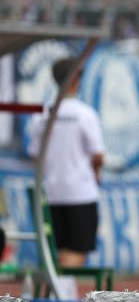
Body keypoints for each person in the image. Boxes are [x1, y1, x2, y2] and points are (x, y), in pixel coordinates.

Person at [26, 58, 105, 268]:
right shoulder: (85, 114)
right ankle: (63, 297)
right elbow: (97, 155)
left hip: (51, 192)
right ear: (75, 79)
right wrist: (96, 173)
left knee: (56, 251)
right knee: (76, 250)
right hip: (80, 192)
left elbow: (34, 156)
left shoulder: (43, 114)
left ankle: (59, 294)